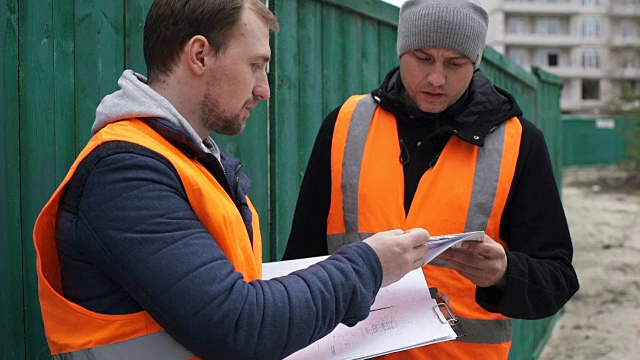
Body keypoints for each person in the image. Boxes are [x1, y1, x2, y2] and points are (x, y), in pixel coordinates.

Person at [32, 1, 432, 359]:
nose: (264, 90)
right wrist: (369, 265)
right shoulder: (125, 177)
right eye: (256, 65)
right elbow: (240, 326)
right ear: (200, 54)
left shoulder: (184, 160)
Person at [283, 0, 580, 359]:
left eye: (455, 64)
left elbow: (557, 280)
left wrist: (504, 273)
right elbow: (300, 262)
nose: (436, 78)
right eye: (423, 58)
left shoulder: (519, 143)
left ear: (475, 64)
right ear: (401, 51)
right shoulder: (344, 126)